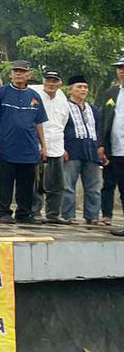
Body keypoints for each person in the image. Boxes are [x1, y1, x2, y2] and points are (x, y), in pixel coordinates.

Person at [0, 60, 46, 223]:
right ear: (10, 74)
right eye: (16, 71)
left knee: (26, 184)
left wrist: (43, 146)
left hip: (29, 148)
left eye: (22, 71)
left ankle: (24, 213)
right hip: (6, 146)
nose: (19, 74)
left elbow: (38, 122)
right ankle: (4, 212)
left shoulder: (34, 96)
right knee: (4, 182)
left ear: (29, 75)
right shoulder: (1, 93)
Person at [62, 75, 103, 225]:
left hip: (91, 152)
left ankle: (92, 216)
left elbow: (99, 129)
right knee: (68, 186)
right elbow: (59, 128)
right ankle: (68, 216)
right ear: (70, 90)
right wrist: (62, 148)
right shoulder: (64, 107)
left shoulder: (93, 109)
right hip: (72, 151)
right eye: (79, 87)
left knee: (93, 187)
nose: (83, 90)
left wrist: (100, 147)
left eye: (85, 87)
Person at [31, 70, 70, 223]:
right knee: (37, 183)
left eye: (55, 81)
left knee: (57, 184)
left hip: (58, 147)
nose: (51, 84)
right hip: (39, 145)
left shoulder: (63, 101)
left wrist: (64, 147)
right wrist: (40, 144)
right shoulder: (36, 97)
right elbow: (33, 122)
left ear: (60, 83)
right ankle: (34, 212)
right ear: (43, 81)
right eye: (48, 81)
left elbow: (63, 124)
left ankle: (53, 214)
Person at [98, 56, 124, 227]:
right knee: (110, 183)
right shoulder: (111, 93)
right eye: (119, 68)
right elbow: (102, 120)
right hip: (114, 148)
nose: (121, 71)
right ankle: (106, 215)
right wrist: (100, 144)